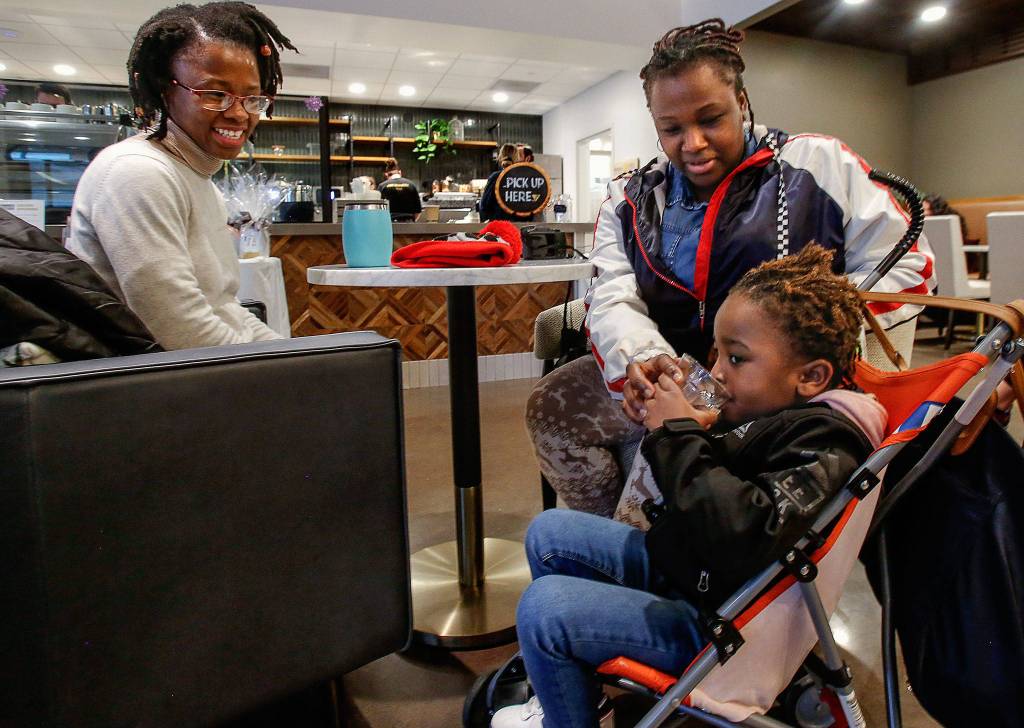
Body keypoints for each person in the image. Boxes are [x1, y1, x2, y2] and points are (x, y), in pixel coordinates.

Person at [526, 19, 934, 517]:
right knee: (551, 407)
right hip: (673, 368)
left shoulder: (818, 165)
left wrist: (790, 340)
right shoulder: (628, 198)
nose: (692, 143)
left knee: (674, 467)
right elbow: (613, 294)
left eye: (711, 119)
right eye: (672, 129)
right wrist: (643, 359)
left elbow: (908, 265)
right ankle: (618, 551)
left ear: (741, 102)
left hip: (778, 382)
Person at [492, 245, 887, 728]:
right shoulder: (772, 413)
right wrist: (692, 429)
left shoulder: (827, 442)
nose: (717, 370)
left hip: (721, 630)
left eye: (737, 358)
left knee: (543, 609)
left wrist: (677, 436)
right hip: (694, 576)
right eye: (717, 353)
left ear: (810, 377)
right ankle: (579, 695)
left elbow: (741, 530)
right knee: (550, 532)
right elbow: (714, 491)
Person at [66, 1, 297, 350]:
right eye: (215, 94)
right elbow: (179, 329)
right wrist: (277, 374)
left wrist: (291, 357)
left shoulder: (197, 180)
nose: (238, 113)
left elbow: (225, 309)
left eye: (251, 99)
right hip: (145, 389)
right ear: (165, 89)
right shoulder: (137, 172)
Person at [480, 142, 529, 221]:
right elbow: (529, 209)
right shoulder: (523, 180)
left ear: (500, 157)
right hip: (518, 228)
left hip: (498, 227)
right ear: (517, 158)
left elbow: (484, 206)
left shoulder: (495, 177)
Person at [378, 157, 422, 221]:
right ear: (400, 172)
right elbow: (418, 210)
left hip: (389, 222)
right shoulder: (411, 185)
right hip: (408, 223)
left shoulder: (382, 186)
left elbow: (378, 210)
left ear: (386, 174)